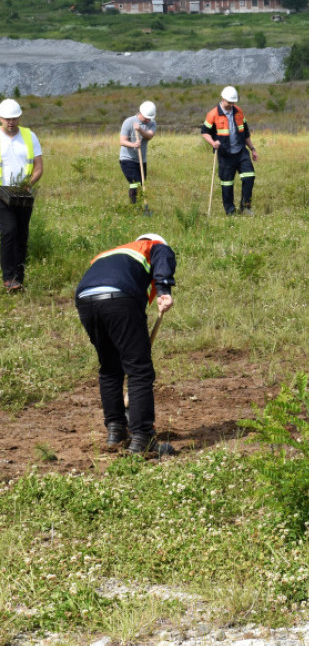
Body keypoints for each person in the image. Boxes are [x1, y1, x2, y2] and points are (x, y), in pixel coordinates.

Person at [75, 233, 176, 455]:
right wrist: (164, 291)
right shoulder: (154, 246)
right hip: (119, 297)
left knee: (110, 368)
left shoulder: (110, 254)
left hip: (85, 299)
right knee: (139, 369)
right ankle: (142, 439)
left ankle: (116, 432)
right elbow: (164, 257)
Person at [0, 98, 44, 292]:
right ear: (0, 118)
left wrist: (28, 184)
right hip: (1, 193)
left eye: (14, 118)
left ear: (19, 118)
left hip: (23, 194)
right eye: (7, 118)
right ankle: (8, 278)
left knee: (21, 235)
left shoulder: (29, 136)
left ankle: (19, 279)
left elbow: (39, 167)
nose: (11, 122)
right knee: (8, 231)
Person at [202, 86, 259, 216]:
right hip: (224, 153)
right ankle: (230, 210)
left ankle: (245, 207)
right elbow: (204, 133)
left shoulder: (238, 111)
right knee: (227, 183)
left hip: (241, 151)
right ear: (223, 99)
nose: (232, 104)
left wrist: (252, 149)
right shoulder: (213, 114)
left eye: (233, 102)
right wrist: (213, 143)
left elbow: (245, 132)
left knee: (249, 176)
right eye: (229, 102)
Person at [119, 101, 157, 206]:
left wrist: (140, 129)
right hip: (127, 159)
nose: (149, 120)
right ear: (140, 113)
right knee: (135, 183)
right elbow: (122, 141)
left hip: (141, 160)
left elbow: (149, 136)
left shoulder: (152, 124)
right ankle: (134, 206)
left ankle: (138, 206)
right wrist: (134, 145)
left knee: (141, 184)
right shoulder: (128, 122)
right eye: (146, 117)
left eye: (150, 118)